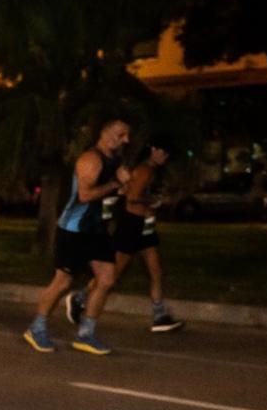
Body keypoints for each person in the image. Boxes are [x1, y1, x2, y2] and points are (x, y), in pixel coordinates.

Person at [24, 118, 131, 355]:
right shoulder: (90, 160)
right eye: (121, 134)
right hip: (74, 230)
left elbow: (114, 192)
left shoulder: (116, 160)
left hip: (97, 230)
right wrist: (115, 183)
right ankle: (37, 328)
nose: (126, 140)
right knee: (62, 282)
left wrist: (122, 188)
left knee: (106, 280)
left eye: (126, 135)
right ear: (104, 133)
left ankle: (86, 335)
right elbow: (84, 195)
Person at [67, 143, 184, 334]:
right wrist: (153, 201)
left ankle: (159, 315)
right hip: (131, 225)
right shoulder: (144, 170)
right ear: (154, 149)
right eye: (164, 151)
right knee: (112, 274)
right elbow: (132, 197)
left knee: (156, 270)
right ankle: (80, 298)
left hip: (144, 227)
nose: (166, 157)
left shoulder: (151, 171)